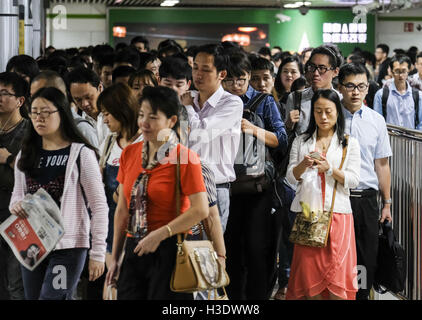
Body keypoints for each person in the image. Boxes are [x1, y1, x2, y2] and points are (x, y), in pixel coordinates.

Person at [105, 86, 208, 300]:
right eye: (141, 115)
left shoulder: (185, 158)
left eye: (153, 117)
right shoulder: (130, 153)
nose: (144, 123)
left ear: (171, 121)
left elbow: (201, 210)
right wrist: (115, 257)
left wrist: (160, 234)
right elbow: (122, 209)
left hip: (170, 249)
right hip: (135, 247)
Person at [9, 87, 108, 300]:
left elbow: (99, 206)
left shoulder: (81, 153)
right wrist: (16, 205)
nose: (39, 118)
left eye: (46, 112)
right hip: (33, 245)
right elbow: (17, 196)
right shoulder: (25, 154)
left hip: (69, 247)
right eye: (34, 112)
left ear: (61, 113)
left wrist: (98, 253)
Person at [221, 52, 287, 300]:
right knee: (229, 251)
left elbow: (281, 140)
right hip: (225, 186)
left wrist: (253, 129)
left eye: (242, 79)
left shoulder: (264, 102)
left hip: (258, 187)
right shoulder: (216, 104)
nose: (236, 86)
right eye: (230, 80)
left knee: (257, 249)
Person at [285, 89, 361, 300]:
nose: (323, 117)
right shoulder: (301, 141)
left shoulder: (348, 143)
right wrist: (303, 164)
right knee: (309, 282)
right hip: (309, 216)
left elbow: (353, 180)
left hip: (338, 216)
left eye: (328, 111)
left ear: (338, 112)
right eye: (318, 111)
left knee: (338, 278)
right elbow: (291, 178)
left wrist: (329, 169)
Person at [338, 63, 393, 300]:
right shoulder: (330, 116)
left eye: (361, 86)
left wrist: (387, 203)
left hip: (367, 201)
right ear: (340, 87)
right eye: (350, 85)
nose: (356, 92)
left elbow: (382, 165)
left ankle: (360, 296)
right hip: (337, 197)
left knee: (365, 257)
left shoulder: (376, 120)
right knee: (338, 255)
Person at [180, 43, 243, 232]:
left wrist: (188, 108)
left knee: (209, 254)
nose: (198, 75)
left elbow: (201, 133)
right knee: (183, 253)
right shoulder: (187, 98)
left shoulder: (232, 103)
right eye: (195, 68)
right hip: (183, 186)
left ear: (222, 74)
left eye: (206, 70)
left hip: (214, 187)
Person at [96, 83, 143, 296]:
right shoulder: (108, 143)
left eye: (107, 114)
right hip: (111, 226)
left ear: (121, 110)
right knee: (111, 289)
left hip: (139, 228)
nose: (104, 120)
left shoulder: (146, 141)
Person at [0, 72, 29, 300]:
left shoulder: (29, 132)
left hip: (17, 216)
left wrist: (8, 159)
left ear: (20, 100)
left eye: (4, 93)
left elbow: (34, 174)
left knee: (14, 283)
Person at [30, 70, 99, 150]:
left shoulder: (81, 129)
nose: (35, 100)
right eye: (32, 95)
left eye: (40, 93)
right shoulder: (36, 130)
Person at [373, 55, 422, 131]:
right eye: (397, 71)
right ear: (391, 71)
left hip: (411, 140)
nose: (401, 75)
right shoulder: (381, 94)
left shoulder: (418, 95)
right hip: (389, 140)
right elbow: (377, 123)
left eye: (404, 71)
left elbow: (420, 123)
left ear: (409, 70)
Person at [67, 67, 110, 145]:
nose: (84, 104)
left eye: (88, 97)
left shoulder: (117, 114)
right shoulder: (76, 124)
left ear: (100, 88)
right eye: (78, 100)